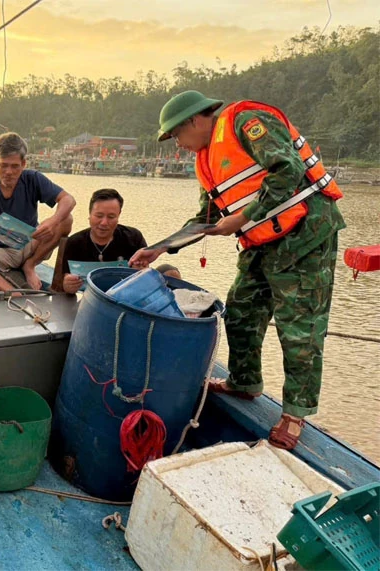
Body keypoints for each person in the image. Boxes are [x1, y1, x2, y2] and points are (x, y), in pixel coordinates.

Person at [130, 90, 345, 450]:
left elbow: (288, 169)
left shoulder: (246, 124)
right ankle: (244, 382)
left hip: (305, 235)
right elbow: (208, 218)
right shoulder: (206, 160)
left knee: (300, 328)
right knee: (241, 310)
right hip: (261, 242)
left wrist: (243, 217)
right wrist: (159, 248)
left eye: (177, 135)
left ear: (196, 121)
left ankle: (296, 413)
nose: (178, 145)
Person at [0, 132, 76, 291]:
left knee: (66, 219)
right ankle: (10, 291)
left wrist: (53, 221)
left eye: (15, 166)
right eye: (4, 165)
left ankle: (30, 265)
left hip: (31, 245)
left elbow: (68, 199)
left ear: (23, 164)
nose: (9, 172)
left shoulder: (32, 179)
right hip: (1, 252)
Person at [61, 188, 147, 294]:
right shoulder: (74, 243)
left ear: (118, 216)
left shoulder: (133, 237)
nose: (104, 223)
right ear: (90, 214)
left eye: (111, 217)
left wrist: (141, 271)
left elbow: (145, 276)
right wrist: (68, 285)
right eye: (99, 216)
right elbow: (64, 279)